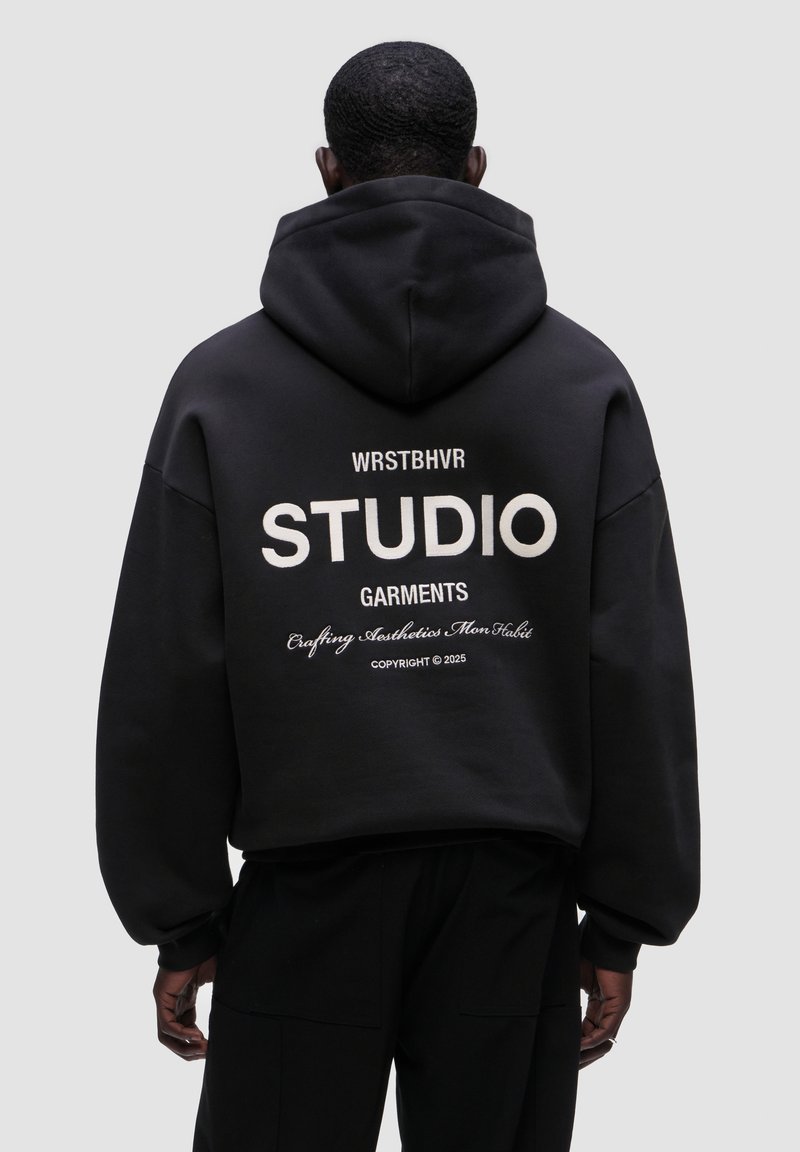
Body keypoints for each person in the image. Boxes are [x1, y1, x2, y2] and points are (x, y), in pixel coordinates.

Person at [95, 40, 700, 1152]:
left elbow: (169, 665)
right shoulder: (581, 383)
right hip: (513, 904)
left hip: (301, 897)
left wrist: (179, 915)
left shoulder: (222, 387)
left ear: (327, 170)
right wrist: (622, 917)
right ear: (475, 167)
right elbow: (634, 659)